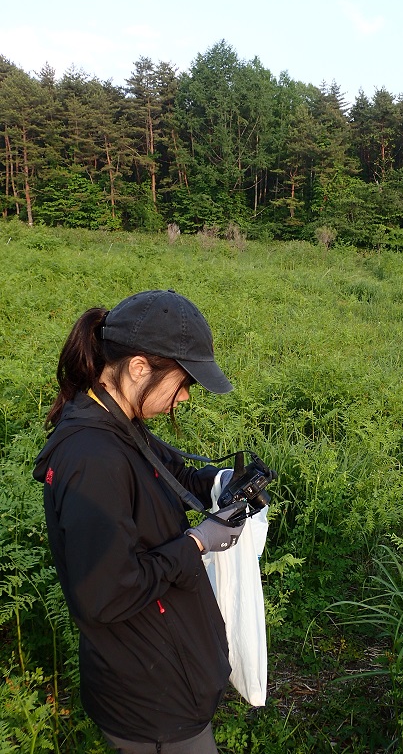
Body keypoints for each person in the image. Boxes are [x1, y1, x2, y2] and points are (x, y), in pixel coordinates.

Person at [33, 289, 241, 754]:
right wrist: (198, 544)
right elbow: (106, 595)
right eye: (184, 382)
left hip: (163, 670)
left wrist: (220, 480)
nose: (185, 397)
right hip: (150, 701)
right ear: (140, 367)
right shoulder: (92, 458)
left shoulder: (116, 420)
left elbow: (170, 468)